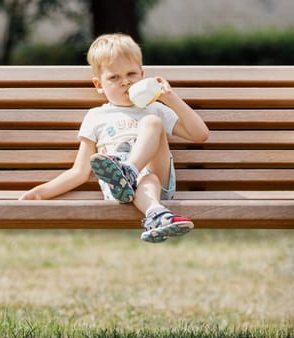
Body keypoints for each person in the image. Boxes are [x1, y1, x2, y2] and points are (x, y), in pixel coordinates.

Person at [19, 33, 209, 243]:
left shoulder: (155, 108)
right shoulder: (96, 116)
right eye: (114, 77)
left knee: (152, 124)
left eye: (131, 74)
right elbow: (80, 171)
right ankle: (157, 215)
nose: (125, 82)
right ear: (98, 84)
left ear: (142, 74)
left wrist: (170, 98)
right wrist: (39, 193)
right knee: (147, 168)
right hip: (118, 191)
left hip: (157, 180)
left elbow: (200, 134)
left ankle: (129, 171)